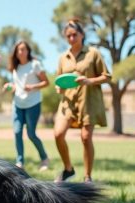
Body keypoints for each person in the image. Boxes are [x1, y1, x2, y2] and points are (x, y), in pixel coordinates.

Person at [53, 19, 111, 183]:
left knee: (85, 138)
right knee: (58, 134)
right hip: (67, 102)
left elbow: (107, 77)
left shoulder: (93, 53)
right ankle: (68, 169)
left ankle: (87, 177)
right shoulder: (63, 57)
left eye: (74, 35)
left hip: (88, 101)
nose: (71, 38)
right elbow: (59, 80)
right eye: (68, 36)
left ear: (82, 35)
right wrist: (59, 88)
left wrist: (89, 81)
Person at [3, 41, 50, 171]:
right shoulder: (15, 67)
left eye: (23, 49)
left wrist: (33, 87)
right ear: (16, 53)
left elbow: (46, 82)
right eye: (18, 50)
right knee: (17, 132)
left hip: (33, 103)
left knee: (31, 134)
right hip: (18, 103)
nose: (21, 52)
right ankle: (20, 162)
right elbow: (15, 86)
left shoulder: (35, 65)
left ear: (28, 51)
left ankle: (45, 158)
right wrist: (9, 87)